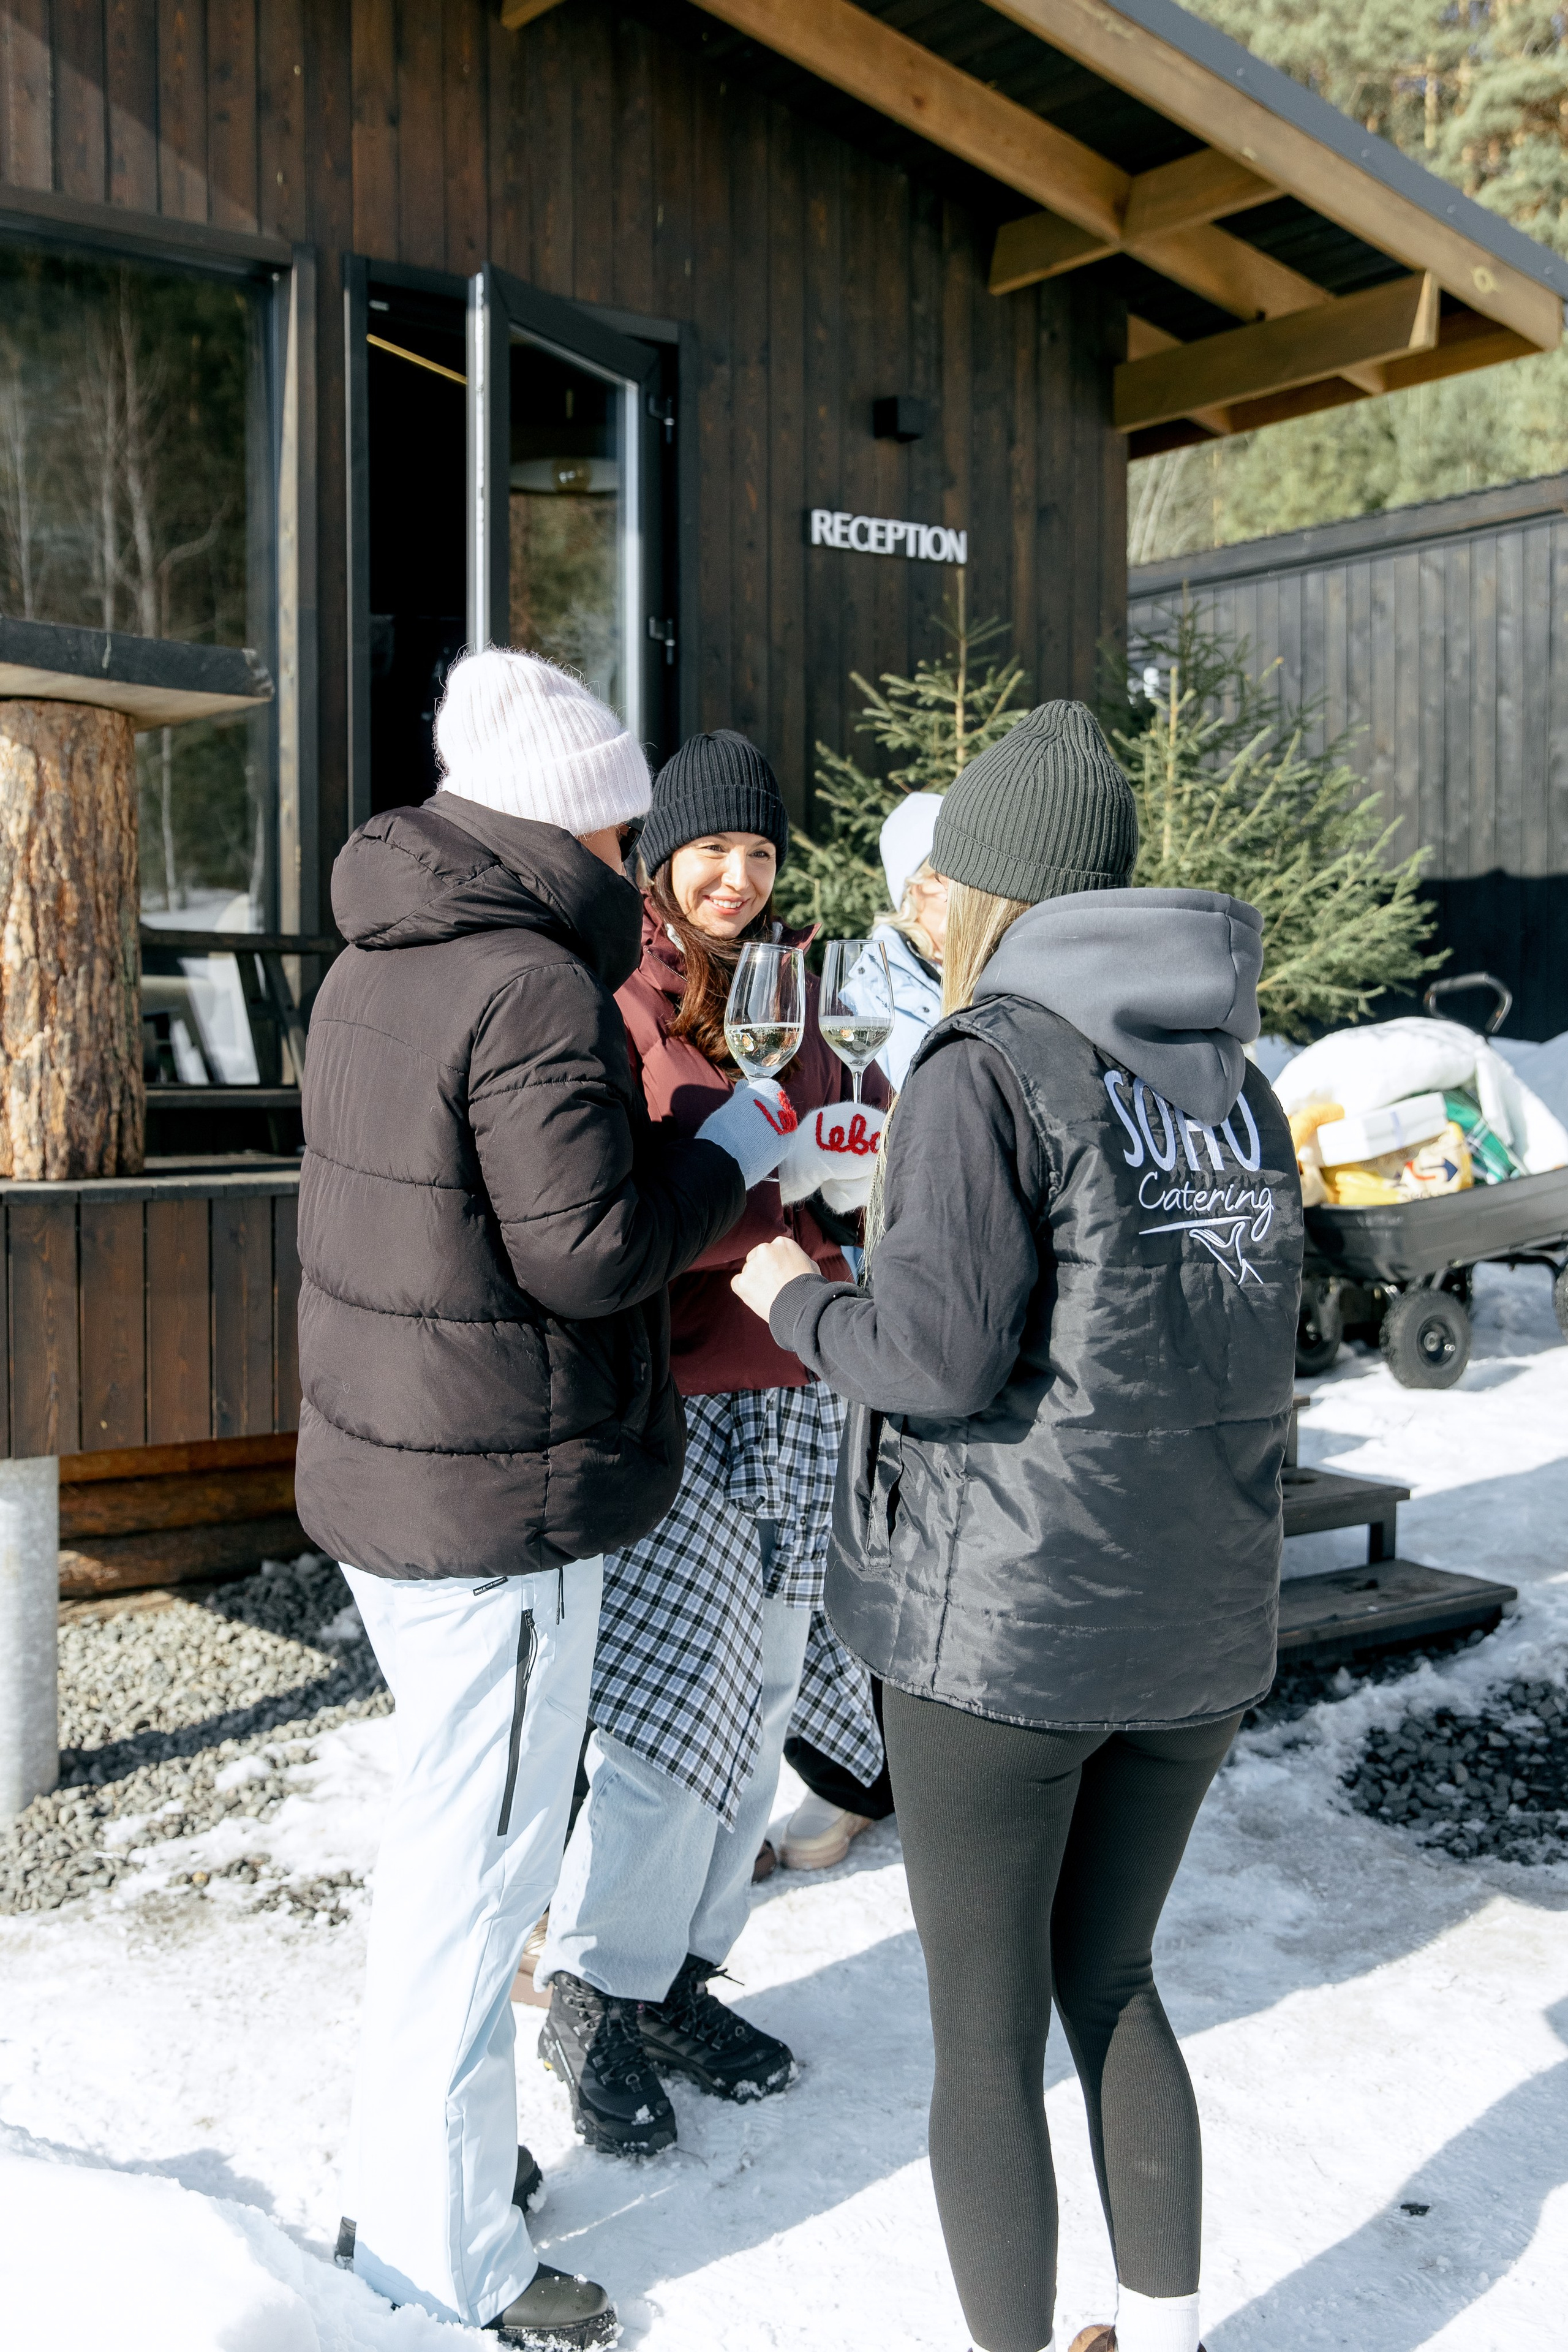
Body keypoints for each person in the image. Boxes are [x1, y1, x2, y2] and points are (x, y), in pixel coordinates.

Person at [732, 700, 1302, 2352]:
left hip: (1009, 1636)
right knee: (1114, 1980)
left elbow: (930, 1356)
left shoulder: (987, 1063)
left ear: (993, 892)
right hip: (1199, 1624)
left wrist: (796, 1294)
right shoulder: (1235, 1085)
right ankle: (1163, 2334)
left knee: (984, 2043)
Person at [294, 652, 797, 2349]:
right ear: (558, 813)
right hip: (494, 1500)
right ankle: (451, 2262)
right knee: (478, 1884)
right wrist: (736, 1152)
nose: (627, 843)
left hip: (402, 1478)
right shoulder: (524, 984)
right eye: (615, 815)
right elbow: (589, 1253)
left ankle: (427, 2169)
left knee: (446, 1859)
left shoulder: (382, 956)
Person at [533, 728, 890, 2154]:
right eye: (710, 851)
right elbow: (614, 1214)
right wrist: (755, 1188)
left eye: (759, 851)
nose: (737, 876)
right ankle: (590, 1988)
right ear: (663, 857)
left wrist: (853, 1170)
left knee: (765, 1693)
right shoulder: (620, 997)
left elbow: (824, 1175)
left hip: (795, 1381)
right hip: (676, 1392)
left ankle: (681, 1967)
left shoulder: (795, 991)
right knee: (670, 1705)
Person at [871, 788, 948, 1088]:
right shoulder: (873, 995)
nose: (963, 887)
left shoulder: (994, 966)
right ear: (913, 888)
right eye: (944, 874)